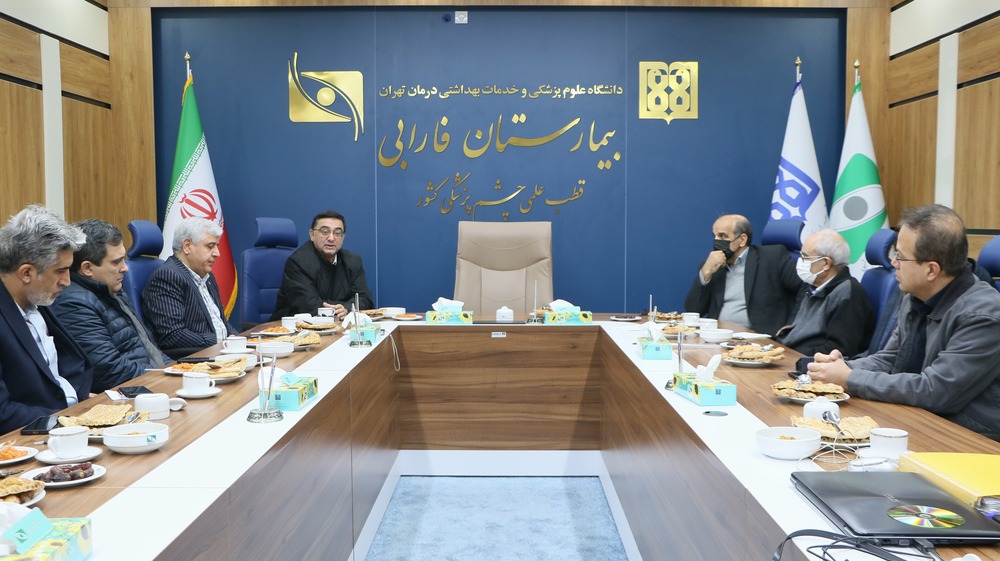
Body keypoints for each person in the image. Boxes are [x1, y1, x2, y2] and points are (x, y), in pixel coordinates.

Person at [809, 205, 1000, 441]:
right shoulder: (915, 296)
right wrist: (839, 368)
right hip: (918, 419)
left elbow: (936, 391)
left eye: (900, 256)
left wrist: (848, 378)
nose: (893, 263)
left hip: (969, 438)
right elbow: (890, 358)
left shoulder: (983, 315)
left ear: (931, 270)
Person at [0, 205, 92, 434]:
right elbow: (2, 413)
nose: (67, 281)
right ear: (26, 273)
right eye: (60, 271)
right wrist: (67, 420)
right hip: (31, 437)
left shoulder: (36, 299)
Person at [51, 219, 169, 393]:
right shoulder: (73, 304)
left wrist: (178, 371)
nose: (125, 268)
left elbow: (150, 348)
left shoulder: (112, 290)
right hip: (129, 394)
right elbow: (108, 371)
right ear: (87, 268)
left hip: (149, 383)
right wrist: (166, 377)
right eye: (116, 262)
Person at [684, 214, 802, 336]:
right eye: (715, 236)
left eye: (723, 236)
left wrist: (793, 324)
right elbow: (693, 310)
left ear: (742, 240)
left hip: (759, 337)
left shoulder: (772, 257)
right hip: (718, 335)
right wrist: (705, 273)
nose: (716, 241)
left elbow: (803, 289)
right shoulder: (713, 266)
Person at [142, 217, 235, 358]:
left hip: (221, 352)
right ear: (187, 246)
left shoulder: (207, 276)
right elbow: (173, 335)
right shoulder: (168, 276)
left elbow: (221, 323)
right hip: (195, 360)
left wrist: (239, 340)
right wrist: (218, 343)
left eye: (217, 246)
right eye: (210, 246)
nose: (217, 253)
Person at [776, 229, 874, 357]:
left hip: (806, 363)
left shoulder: (849, 293)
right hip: (790, 355)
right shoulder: (815, 286)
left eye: (805, 257)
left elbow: (838, 349)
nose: (800, 261)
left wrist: (793, 358)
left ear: (826, 263)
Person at [271, 210, 373, 321]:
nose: (331, 238)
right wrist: (341, 309)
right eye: (325, 232)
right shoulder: (298, 262)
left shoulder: (353, 261)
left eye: (337, 233)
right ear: (312, 235)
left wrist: (346, 309)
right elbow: (309, 306)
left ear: (343, 237)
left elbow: (364, 299)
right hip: (294, 327)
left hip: (339, 325)